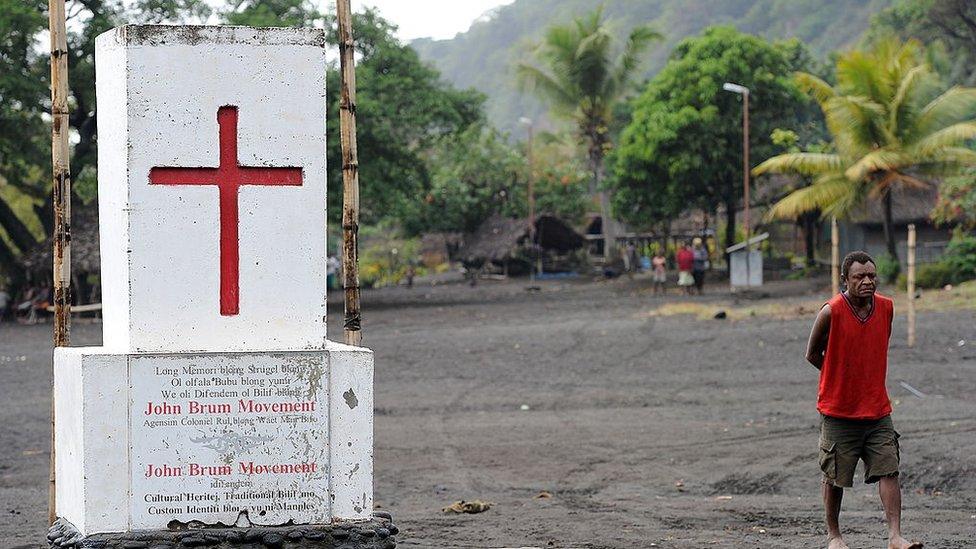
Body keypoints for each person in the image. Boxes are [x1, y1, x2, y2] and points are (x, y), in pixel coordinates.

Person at [804, 251, 922, 549]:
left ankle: (895, 536)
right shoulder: (831, 311)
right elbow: (812, 354)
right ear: (845, 280)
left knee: (889, 468)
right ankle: (834, 536)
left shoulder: (886, 308)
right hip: (838, 409)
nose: (868, 281)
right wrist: (840, 377)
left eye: (871, 275)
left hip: (877, 409)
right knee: (834, 476)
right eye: (860, 277)